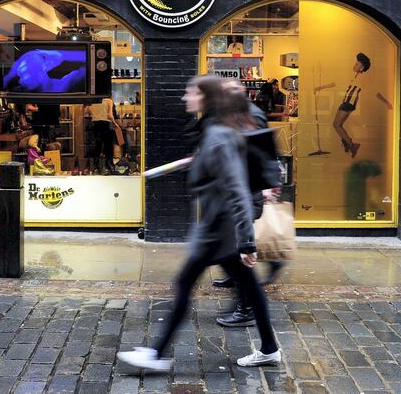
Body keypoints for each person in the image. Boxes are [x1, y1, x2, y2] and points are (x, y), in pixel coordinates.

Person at [117, 75, 281, 371]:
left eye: (190, 92)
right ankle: (269, 348)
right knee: (249, 286)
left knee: (184, 283)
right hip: (221, 228)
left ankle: (156, 354)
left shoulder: (218, 135)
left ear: (205, 97)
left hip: (220, 229)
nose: (185, 97)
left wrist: (246, 241)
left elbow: (238, 190)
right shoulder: (215, 132)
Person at [212, 80, 284, 328]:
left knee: (240, 250)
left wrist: (269, 185)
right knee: (233, 249)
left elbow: (264, 152)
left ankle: (246, 308)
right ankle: (239, 284)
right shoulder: (233, 115)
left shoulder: (251, 116)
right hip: (238, 191)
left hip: (247, 191)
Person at [315, 52, 392, 158]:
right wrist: (320, 87)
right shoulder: (355, 77)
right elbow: (335, 83)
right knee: (337, 125)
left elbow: (375, 92)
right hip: (346, 102)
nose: (354, 65)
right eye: (355, 63)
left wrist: (386, 102)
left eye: (357, 64)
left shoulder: (363, 78)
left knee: (336, 125)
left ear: (361, 68)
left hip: (349, 103)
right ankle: (349, 143)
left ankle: (351, 145)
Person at [2, 48, 86, 93]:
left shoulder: (65, 83)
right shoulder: (18, 91)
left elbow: (91, 60)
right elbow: (1, 87)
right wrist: (11, 74)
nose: (24, 78)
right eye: (22, 72)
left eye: (31, 70)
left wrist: (61, 54)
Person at [88, 97, 117, 174]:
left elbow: (89, 111)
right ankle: (108, 166)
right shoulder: (108, 101)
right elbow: (110, 115)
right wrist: (115, 123)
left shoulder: (91, 101)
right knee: (108, 146)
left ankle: (96, 167)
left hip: (95, 125)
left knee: (97, 146)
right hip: (106, 125)